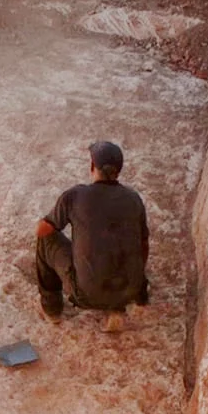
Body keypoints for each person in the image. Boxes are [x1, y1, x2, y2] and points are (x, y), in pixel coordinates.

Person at [33, 140, 149, 329]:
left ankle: (52, 309)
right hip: (130, 291)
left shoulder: (75, 196)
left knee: (46, 240)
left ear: (92, 166)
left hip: (86, 295)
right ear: (118, 171)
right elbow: (143, 245)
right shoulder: (134, 198)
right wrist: (140, 290)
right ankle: (116, 308)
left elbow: (42, 230)